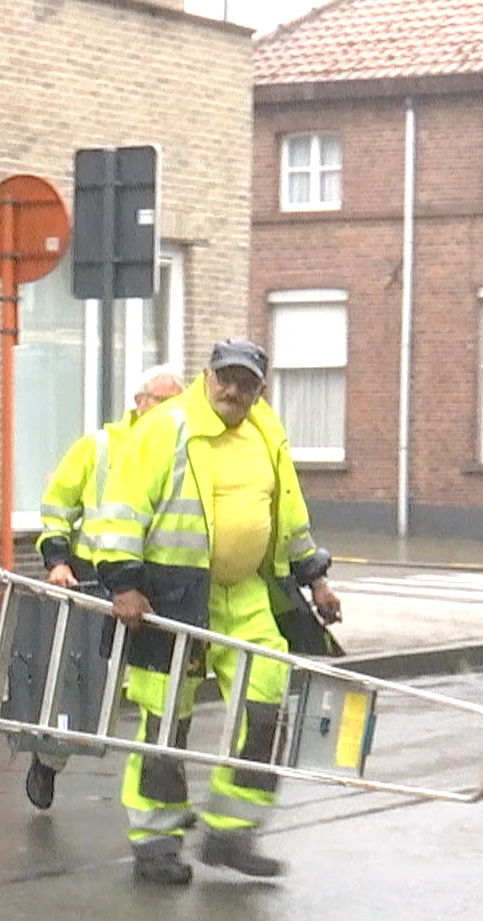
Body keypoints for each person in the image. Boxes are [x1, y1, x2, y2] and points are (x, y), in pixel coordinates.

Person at [85, 339, 341, 885]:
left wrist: (314, 578)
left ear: (260, 390)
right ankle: (156, 841)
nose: (233, 390)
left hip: (244, 594)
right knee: (164, 721)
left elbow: (289, 515)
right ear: (206, 375)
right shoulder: (166, 428)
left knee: (268, 704)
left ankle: (230, 831)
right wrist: (123, 583)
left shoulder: (266, 431)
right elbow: (122, 509)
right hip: (170, 595)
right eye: (225, 378)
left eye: (246, 383)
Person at [22, 363, 187, 811]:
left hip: (157, 587)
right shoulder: (99, 446)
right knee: (89, 689)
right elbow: (58, 503)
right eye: (162, 402)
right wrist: (56, 561)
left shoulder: (185, 453)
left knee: (163, 696)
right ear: (139, 402)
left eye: (177, 404)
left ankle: (164, 793)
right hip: (98, 586)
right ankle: (48, 760)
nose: (170, 413)